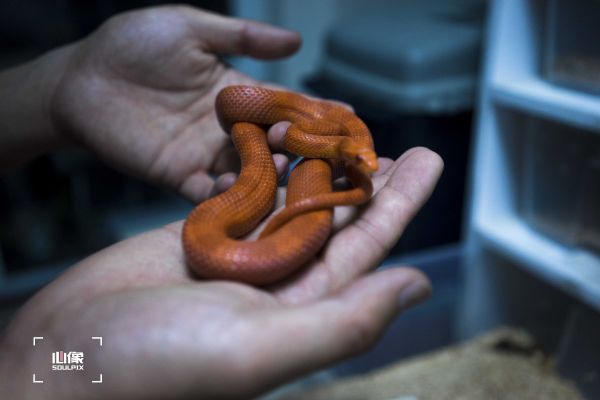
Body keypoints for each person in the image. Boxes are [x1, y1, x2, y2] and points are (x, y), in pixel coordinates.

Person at [0, 5, 443, 400]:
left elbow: (46, 367)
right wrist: (33, 366)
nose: (366, 165)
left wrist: (33, 365)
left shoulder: (334, 133)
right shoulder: (312, 133)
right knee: (259, 162)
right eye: (360, 160)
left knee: (265, 166)